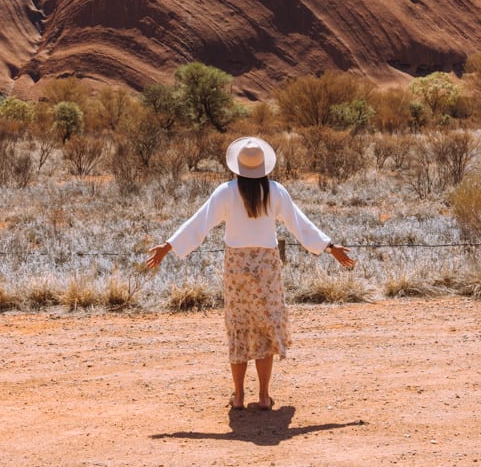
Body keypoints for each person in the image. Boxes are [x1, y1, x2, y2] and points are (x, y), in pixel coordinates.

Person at [146, 136, 355, 411]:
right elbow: (299, 224)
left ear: (237, 167)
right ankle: (265, 396)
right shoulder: (276, 191)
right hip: (267, 266)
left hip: (237, 268)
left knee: (239, 325)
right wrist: (329, 246)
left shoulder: (226, 192)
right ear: (264, 167)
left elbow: (200, 222)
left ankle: (239, 395)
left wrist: (168, 246)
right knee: (265, 326)